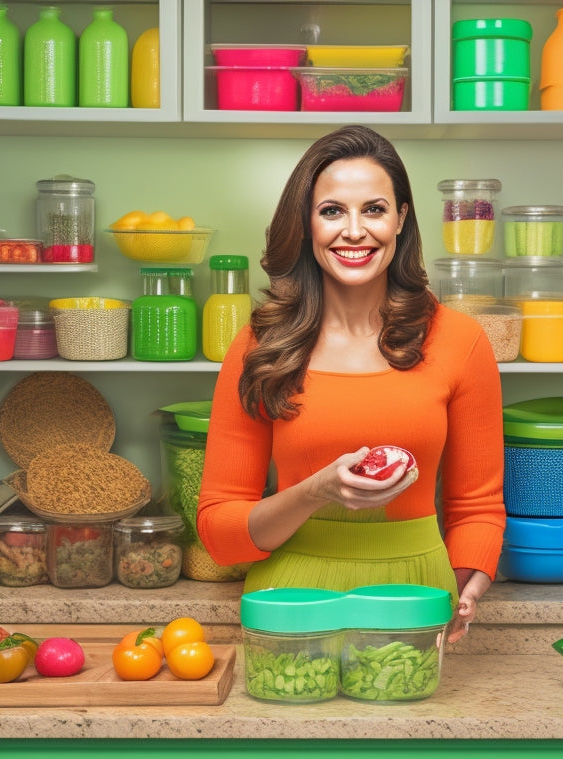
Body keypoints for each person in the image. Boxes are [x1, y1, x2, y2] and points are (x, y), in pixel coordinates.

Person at [197, 124, 505, 643]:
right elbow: (220, 533)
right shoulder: (261, 345)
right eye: (333, 210)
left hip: (415, 598)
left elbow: (477, 506)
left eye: (375, 209)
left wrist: (468, 580)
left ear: (402, 219)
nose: (355, 231)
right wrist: (314, 492)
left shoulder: (461, 341)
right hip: (290, 606)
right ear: (306, 223)